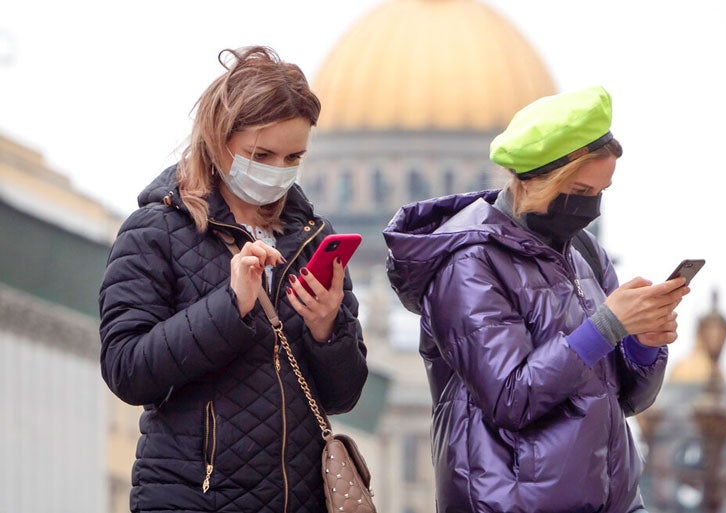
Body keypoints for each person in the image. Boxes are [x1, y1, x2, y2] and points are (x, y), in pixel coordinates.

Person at [383, 86, 689, 513]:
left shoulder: (584, 253)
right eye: (581, 192)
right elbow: (511, 397)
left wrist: (645, 342)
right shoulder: (468, 263)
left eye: (601, 192)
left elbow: (626, 400)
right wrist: (607, 326)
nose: (592, 207)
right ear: (535, 180)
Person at [99, 46, 368, 513]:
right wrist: (230, 306)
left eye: (293, 157)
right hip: (191, 499)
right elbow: (127, 369)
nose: (277, 171)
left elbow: (344, 395)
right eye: (261, 154)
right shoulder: (155, 232)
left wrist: (328, 330)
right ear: (218, 138)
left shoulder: (310, 239)